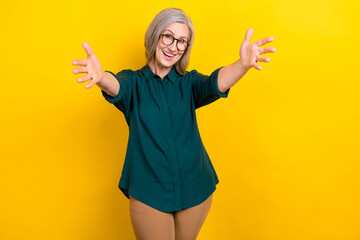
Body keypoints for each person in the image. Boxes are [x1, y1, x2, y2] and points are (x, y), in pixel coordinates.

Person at [72, 7, 275, 240]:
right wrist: (100, 78)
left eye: (182, 41)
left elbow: (215, 83)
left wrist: (242, 65)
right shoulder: (134, 83)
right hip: (149, 192)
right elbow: (116, 85)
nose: (173, 46)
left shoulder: (188, 83)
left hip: (196, 187)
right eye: (168, 36)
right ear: (155, 35)